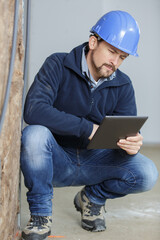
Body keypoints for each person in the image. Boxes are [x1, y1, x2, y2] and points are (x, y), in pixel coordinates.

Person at [20, 10, 158, 240]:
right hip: (55, 160)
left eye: (122, 57)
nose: (115, 62)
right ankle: (40, 215)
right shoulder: (57, 64)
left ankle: (92, 198)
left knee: (147, 173)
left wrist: (132, 142)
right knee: (34, 134)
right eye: (112, 51)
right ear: (93, 42)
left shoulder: (123, 85)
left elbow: (124, 128)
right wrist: (88, 129)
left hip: (94, 163)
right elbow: (34, 110)